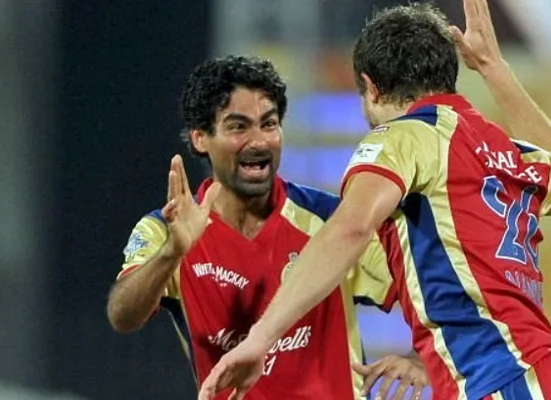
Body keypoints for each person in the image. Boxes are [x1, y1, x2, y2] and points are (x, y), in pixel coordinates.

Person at [198, 1, 551, 399]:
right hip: (547, 377)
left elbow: (351, 227)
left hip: (502, 380)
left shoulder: (405, 136)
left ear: (371, 86)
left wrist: (258, 339)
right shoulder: (503, 150)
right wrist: (494, 68)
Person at [106, 55, 429, 400]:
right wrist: (172, 252)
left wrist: (421, 357)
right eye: (238, 126)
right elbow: (123, 316)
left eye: (269, 124)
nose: (259, 141)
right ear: (201, 138)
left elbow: (436, 291)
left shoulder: (333, 222)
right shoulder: (167, 229)